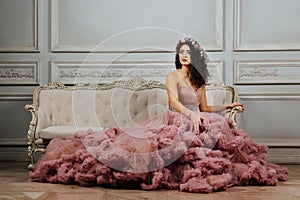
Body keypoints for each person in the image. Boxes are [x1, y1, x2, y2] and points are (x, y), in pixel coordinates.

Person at [29, 37, 288, 193]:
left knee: (219, 129)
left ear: (195, 56)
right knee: (158, 146)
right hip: (178, 117)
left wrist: (229, 106)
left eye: (189, 52)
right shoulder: (172, 76)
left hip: (199, 118)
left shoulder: (200, 81)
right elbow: (174, 103)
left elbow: (206, 108)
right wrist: (192, 115)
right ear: (178, 56)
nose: (185, 55)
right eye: (181, 52)